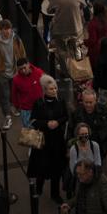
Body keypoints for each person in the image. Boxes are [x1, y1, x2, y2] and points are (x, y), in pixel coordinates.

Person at [29, 75, 70, 203]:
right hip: (43, 140)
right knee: (41, 166)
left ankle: (55, 194)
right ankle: (39, 188)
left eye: (55, 88)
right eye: (51, 89)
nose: (54, 91)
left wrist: (57, 122)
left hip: (57, 141)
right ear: (45, 90)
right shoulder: (39, 103)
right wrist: (46, 124)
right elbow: (33, 121)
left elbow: (65, 116)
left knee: (56, 168)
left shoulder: (61, 101)